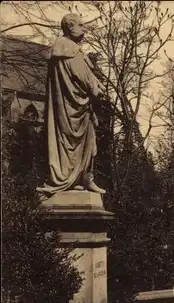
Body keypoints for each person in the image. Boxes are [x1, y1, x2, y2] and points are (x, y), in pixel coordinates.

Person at [37, 13, 107, 195]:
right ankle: (80, 178)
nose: (84, 29)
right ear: (69, 26)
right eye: (81, 25)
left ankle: (80, 179)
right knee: (81, 144)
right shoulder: (69, 49)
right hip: (75, 110)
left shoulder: (62, 50)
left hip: (70, 110)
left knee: (75, 145)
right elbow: (87, 82)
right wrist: (98, 88)